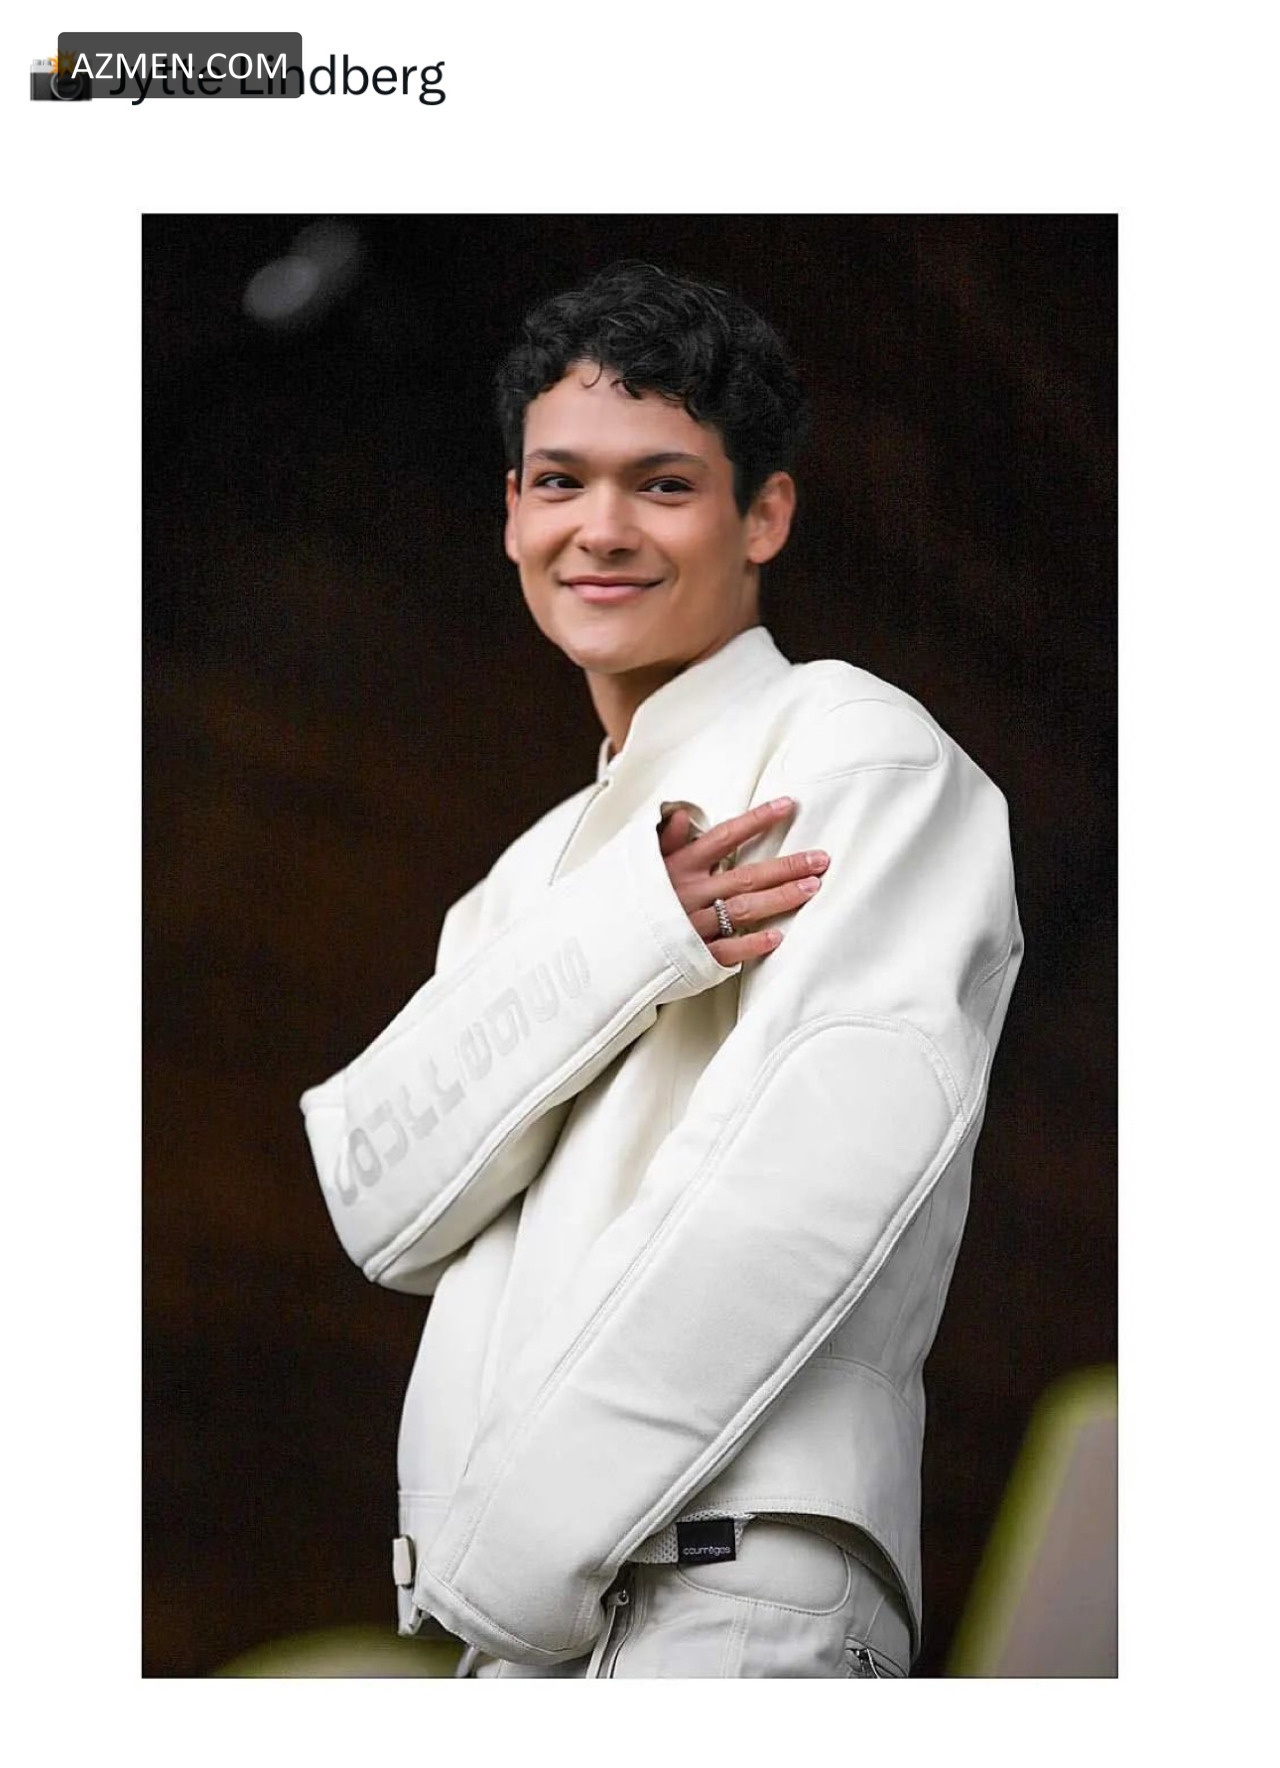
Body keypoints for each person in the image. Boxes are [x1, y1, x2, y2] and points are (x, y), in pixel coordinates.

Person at [300, 261, 1023, 1678]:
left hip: (724, 1583)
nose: (602, 529)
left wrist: (512, 1556)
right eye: (560, 482)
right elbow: (377, 1201)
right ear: (513, 512)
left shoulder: (856, 747)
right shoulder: (519, 883)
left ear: (766, 514)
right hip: (533, 1624)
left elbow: (802, 1182)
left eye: (665, 484)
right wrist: (636, 931)